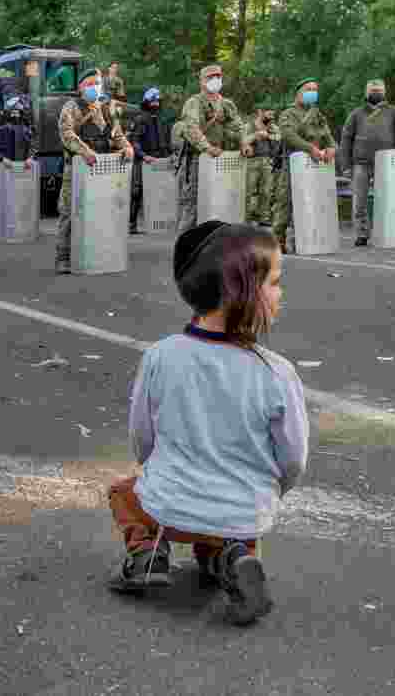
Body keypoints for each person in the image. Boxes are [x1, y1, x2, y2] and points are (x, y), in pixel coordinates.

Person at [105, 220, 309, 626]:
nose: (280, 292)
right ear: (242, 292)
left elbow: (142, 439)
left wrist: (162, 477)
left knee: (122, 493)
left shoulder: (160, 357)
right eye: (274, 282)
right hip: (242, 512)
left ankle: (148, 552)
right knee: (235, 523)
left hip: (170, 506)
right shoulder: (277, 373)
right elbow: (293, 460)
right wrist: (267, 493)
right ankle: (233, 557)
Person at [55, 68, 133, 274]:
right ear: (81, 87)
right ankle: (63, 257)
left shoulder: (105, 107)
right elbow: (66, 134)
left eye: (97, 83)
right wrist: (84, 151)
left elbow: (116, 133)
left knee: (102, 208)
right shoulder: (71, 107)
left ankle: (99, 251)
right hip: (79, 168)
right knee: (70, 210)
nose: (94, 87)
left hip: (103, 168)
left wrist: (126, 146)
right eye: (90, 83)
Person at [339, 79, 395, 247]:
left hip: (386, 164)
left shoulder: (393, 111)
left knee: (387, 200)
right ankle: (361, 234)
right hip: (361, 163)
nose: (376, 93)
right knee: (359, 201)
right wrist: (345, 166)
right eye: (373, 91)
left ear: (384, 93)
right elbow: (345, 140)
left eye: (379, 90)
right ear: (367, 93)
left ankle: (386, 230)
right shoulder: (357, 114)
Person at [176, 65, 250, 235]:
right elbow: (191, 128)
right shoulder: (194, 103)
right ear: (202, 81)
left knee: (220, 204)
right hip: (198, 159)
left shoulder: (226, 104)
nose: (215, 80)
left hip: (219, 161)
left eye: (218, 76)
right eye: (210, 77)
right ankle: (184, 248)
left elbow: (238, 126)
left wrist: (244, 143)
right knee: (193, 206)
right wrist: (207, 147)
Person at [276, 78, 336, 253]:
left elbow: (327, 135)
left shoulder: (317, 114)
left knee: (312, 201)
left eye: (314, 89)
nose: (312, 92)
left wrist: (332, 147)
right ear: (298, 93)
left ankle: (304, 239)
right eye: (308, 89)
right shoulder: (288, 114)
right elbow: (289, 135)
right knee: (285, 203)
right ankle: (277, 239)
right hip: (294, 163)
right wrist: (310, 148)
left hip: (315, 165)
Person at [0, 95, 39, 240]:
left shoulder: (27, 130)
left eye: (18, 111)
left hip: (22, 173)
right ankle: (1, 231)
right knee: (2, 202)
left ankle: (20, 231)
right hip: (4, 173)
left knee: (21, 202)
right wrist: (2, 159)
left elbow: (34, 147)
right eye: (13, 111)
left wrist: (30, 158)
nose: (15, 114)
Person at [129, 86, 171, 233]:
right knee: (137, 191)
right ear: (146, 102)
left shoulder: (162, 119)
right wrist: (143, 155)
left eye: (157, 101)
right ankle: (131, 224)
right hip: (144, 159)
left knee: (160, 191)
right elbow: (134, 141)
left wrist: (170, 155)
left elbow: (166, 139)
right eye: (152, 101)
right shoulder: (140, 119)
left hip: (159, 159)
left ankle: (159, 221)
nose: (155, 104)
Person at [243, 101, 282, 227]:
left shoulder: (273, 127)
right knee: (248, 190)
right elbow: (243, 141)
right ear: (260, 112)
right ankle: (246, 217)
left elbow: (280, 138)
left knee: (266, 191)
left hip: (267, 161)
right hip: (251, 161)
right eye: (268, 113)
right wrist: (256, 135)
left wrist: (268, 135)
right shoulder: (249, 126)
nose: (271, 116)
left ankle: (264, 217)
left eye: (272, 114)